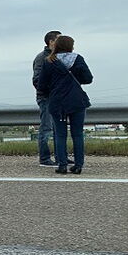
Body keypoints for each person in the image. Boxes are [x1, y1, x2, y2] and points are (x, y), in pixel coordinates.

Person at [37, 35, 93, 174]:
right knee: (77, 134)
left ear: (56, 46)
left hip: (58, 102)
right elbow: (88, 78)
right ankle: (78, 165)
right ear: (70, 46)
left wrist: (52, 90)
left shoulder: (49, 61)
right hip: (76, 101)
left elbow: (41, 85)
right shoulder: (78, 59)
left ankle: (62, 165)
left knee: (61, 135)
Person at [32, 30, 61, 166]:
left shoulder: (59, 57)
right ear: (51, 41)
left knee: (58, 129)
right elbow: (37, 80)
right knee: (46, 128)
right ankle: (44, 158)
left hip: (58, 98)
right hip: (46, 98)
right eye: (59, 39)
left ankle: (61, 157)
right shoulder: (41, 58)